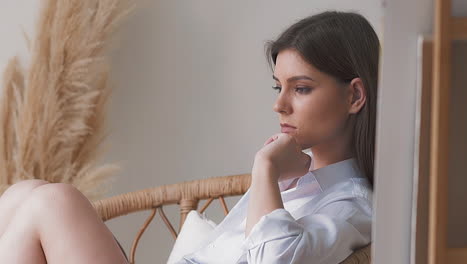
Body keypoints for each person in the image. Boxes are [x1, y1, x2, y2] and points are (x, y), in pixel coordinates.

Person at [0, 10, 379, 264]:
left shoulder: (352, 206)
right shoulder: (293, 180)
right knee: (24, 192)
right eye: (278, 87)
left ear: (354, 95)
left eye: (301, 88)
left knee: (53, 201)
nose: (279, 105)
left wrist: (264, 169)